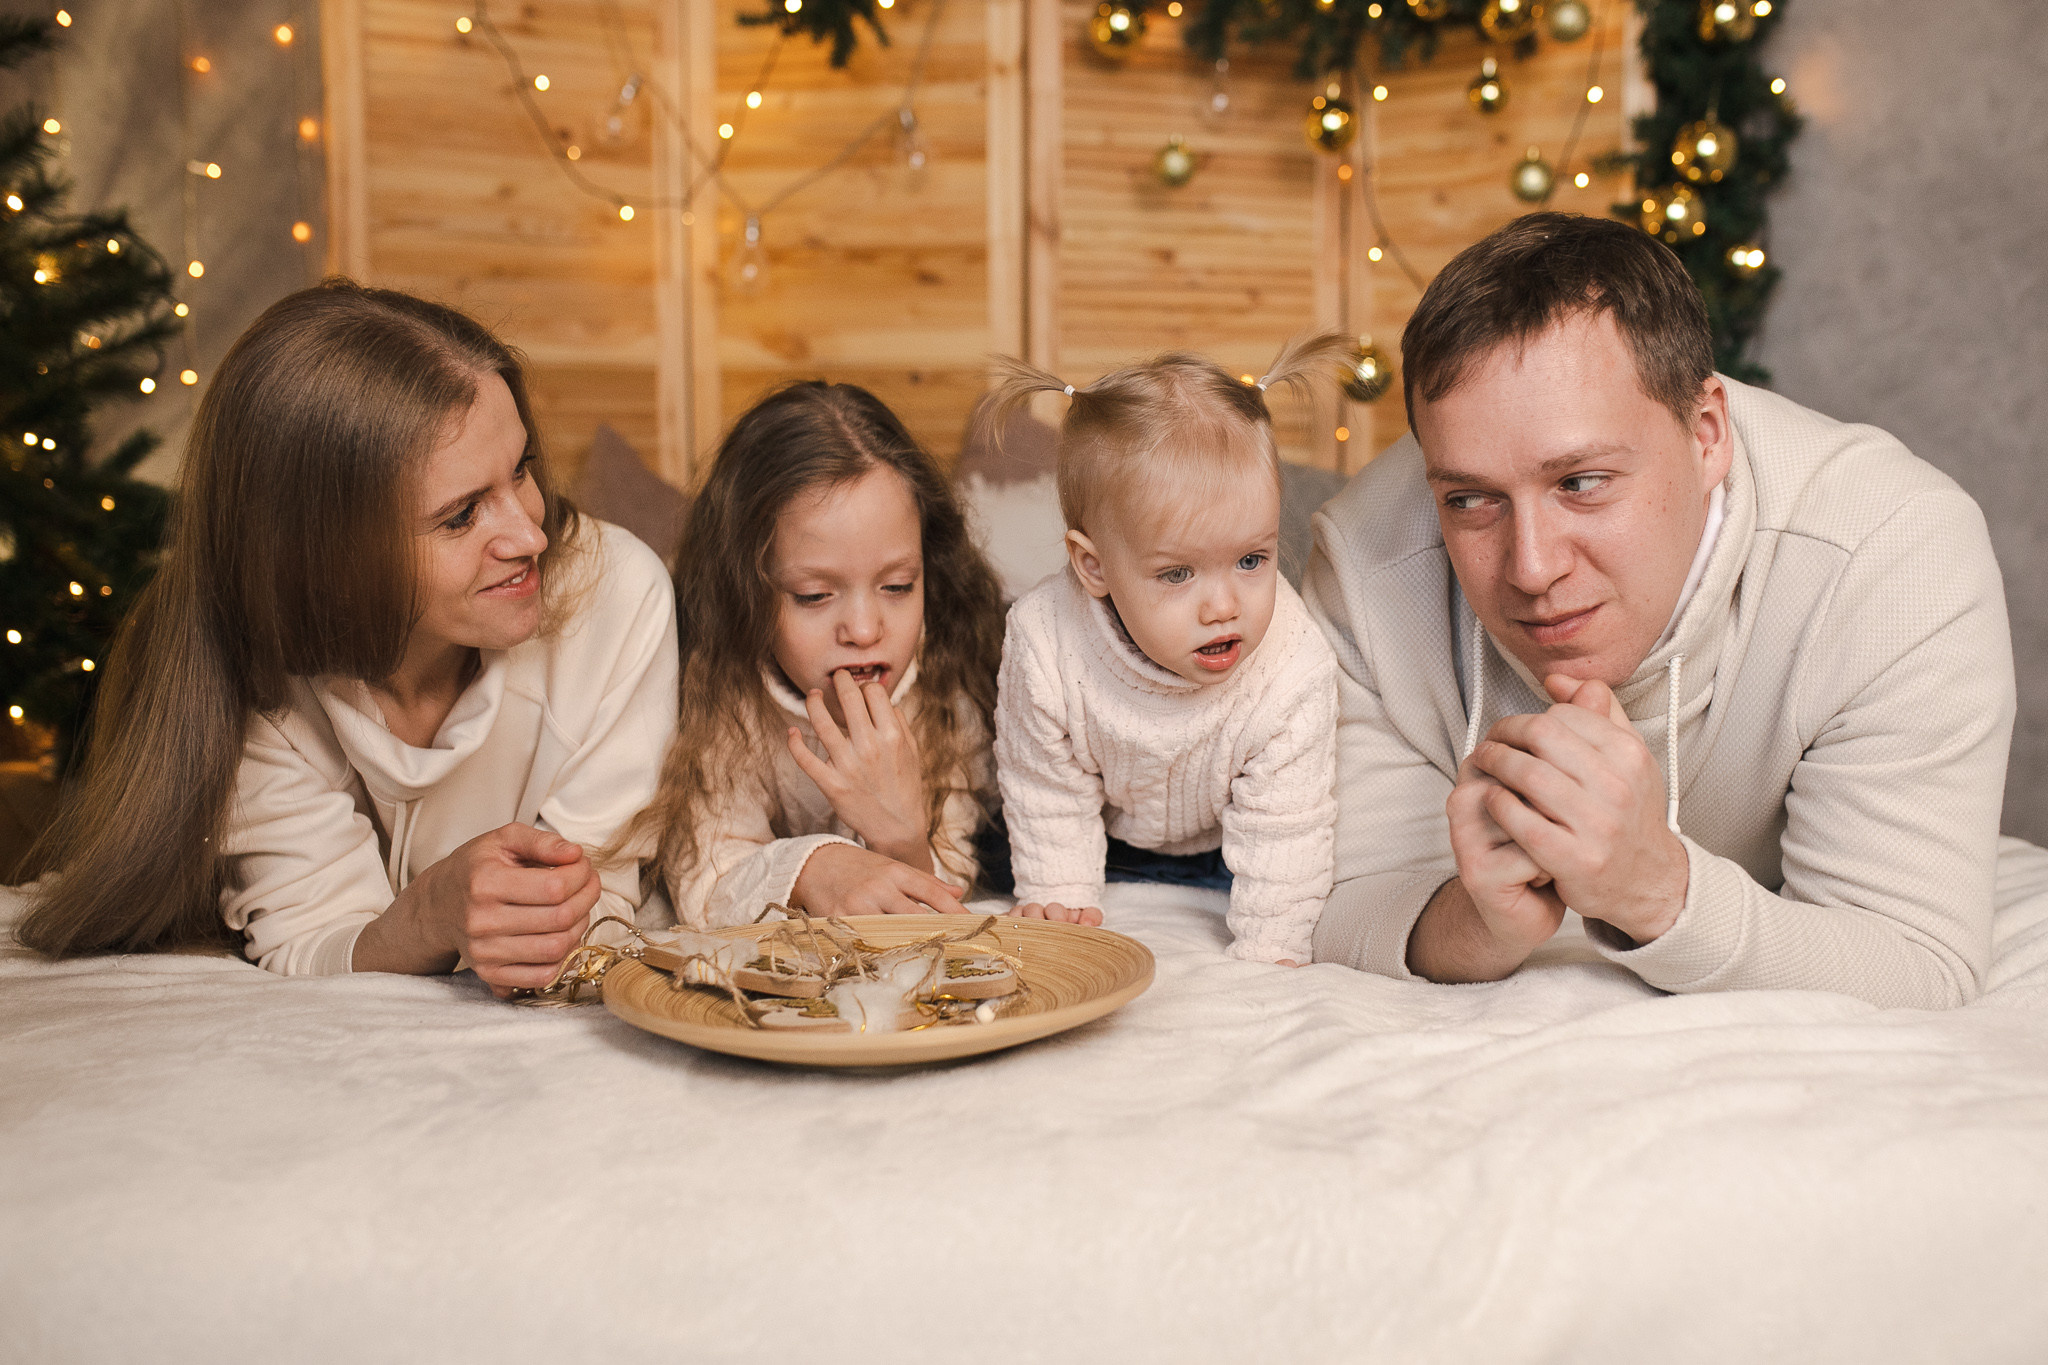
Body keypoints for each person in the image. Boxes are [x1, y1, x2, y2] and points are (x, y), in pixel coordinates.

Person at [1305, 212, 2014, 1009]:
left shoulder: (1893, 551)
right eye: (1470, 499)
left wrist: (1652, 887)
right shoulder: (1366, 561)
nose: (1532, 568)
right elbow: (1338, 905)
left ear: (1708, 434)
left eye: (1581, 482)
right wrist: (1476, 923)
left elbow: (1920, 962)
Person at [13, 280, 679, 994]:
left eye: (520, 471)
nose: (529, 532)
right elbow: (313, 939)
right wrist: (432, 914)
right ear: (327, 556)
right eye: (460, 516)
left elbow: (594, 911)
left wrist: (538, 916)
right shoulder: (250, 678)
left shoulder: (615, 595)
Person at [987, 340, 1346, 964]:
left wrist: (1274, 944)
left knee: (1325, 866)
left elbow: (1286, 823)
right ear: (1094, 567)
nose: (1223, 607)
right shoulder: (1045, 640)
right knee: (995, 836)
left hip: (1229, 847)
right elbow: (1045, 785)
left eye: (1251, 560)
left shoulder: (1293, 662)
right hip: (1102, 832)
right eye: (1178, 574)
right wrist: (1060, 895)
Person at [640, 381, 1006, 928]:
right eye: (814, 595)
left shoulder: (947, 691)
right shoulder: (716, 691)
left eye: (899, 585)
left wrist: (903, 837)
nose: (863, 629)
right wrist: (817, 869)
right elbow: (708, 881)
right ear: (745, 593)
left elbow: (946, 900)